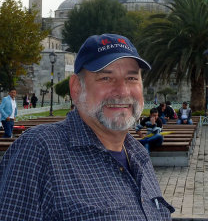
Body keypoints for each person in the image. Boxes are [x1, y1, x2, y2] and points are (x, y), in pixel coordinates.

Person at [0, 33, 174, 220]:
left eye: (131, 79)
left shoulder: (138, 155)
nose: (123, 91)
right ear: (76, 88)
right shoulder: (40, 151)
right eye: (106, 78)